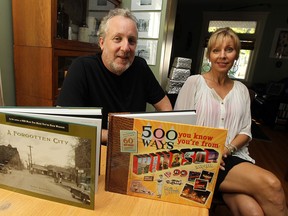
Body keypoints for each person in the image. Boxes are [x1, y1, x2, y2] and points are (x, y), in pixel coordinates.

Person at [174, 27, 288, 216]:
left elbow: (246, 130)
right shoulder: (194, 83)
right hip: (198, 160)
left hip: (232, 157)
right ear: (209, 55)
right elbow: (180, 128)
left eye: (229, 49)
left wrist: (225, 150)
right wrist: (208, 156)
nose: (223, 56)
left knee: (253, 212)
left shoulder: (242, 90)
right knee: (273, 185)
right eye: (216, 50)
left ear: (236, 55)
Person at [56, 8, 172, 144]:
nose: (125, 47)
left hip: (131, 149)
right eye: (117, 39)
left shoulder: (141, 67)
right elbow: (65, 124)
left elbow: (166, 108)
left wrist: (156, 133)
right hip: (94, 149)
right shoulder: (82, 68)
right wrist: (125, 136)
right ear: (102, 43)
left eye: (131, 41)